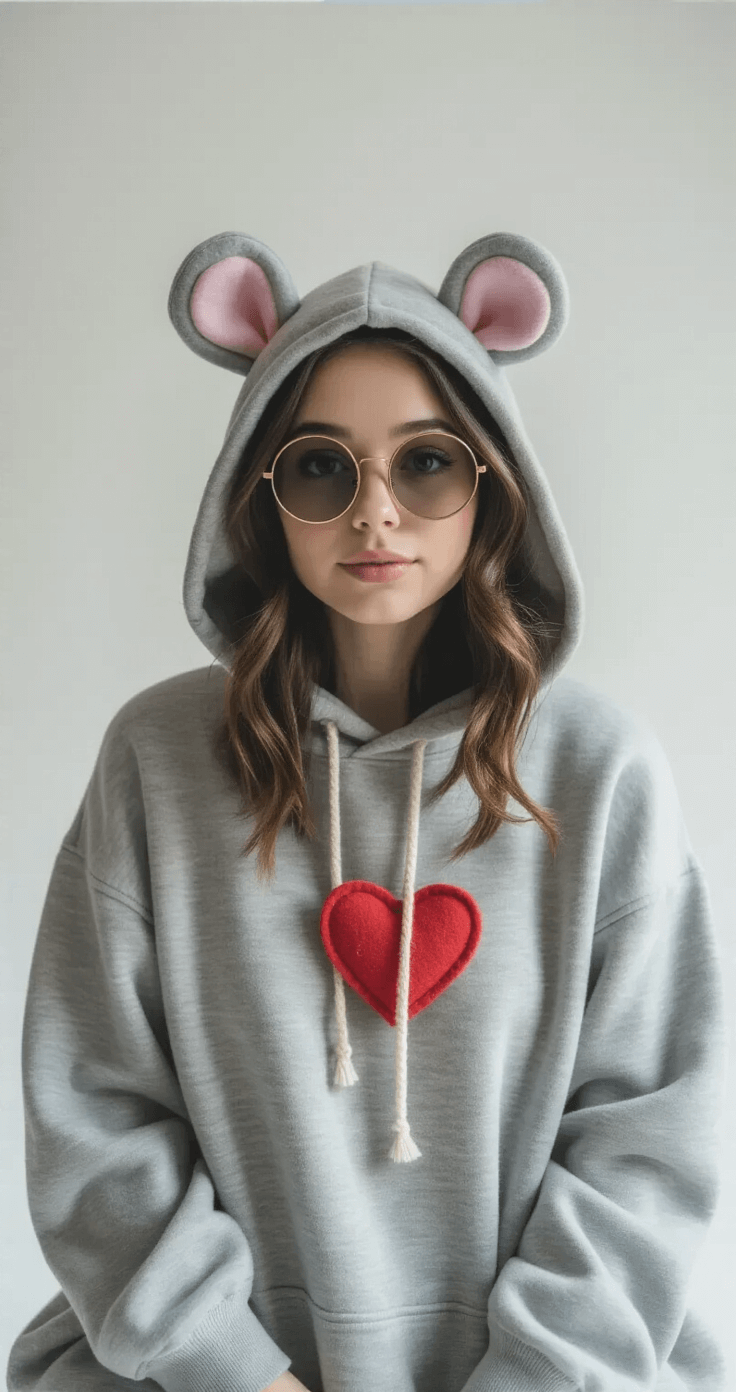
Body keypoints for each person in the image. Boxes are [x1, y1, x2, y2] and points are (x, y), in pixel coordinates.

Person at [7, 231, 725, 1392]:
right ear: (262, 491)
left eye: (427, 464)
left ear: (492, 484)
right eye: (321, 468)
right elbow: (93, 1118)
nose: (374, 513)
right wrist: (237, 1373)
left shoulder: (598, 775)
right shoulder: (158, 760)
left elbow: (648, 1140)